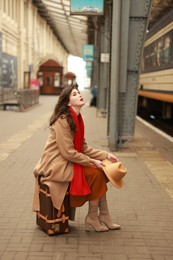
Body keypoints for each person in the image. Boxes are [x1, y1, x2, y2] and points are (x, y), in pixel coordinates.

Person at [32, 85, 120, 232]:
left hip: (68, 161)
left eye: (79, 92)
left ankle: (102, 215)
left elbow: (84, 148)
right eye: (74, 94)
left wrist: (106, 155)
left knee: (102, 171)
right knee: (96, 173)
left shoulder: (77, 118)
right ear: (67, 102)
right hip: (56, 164)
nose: (79, 95)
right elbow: (67, 152)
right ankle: (95, 217)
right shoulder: (63, 120)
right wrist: (92, 161)